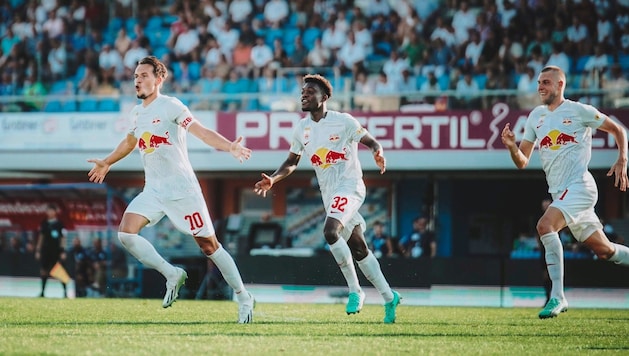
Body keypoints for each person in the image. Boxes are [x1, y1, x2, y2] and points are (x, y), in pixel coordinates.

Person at [87, 56, 255, 323]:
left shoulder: (170, 106)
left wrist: (230, 147)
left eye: (143, 75)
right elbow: (130, 142)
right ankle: (172, 273)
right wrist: (107, 161)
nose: (138, 80)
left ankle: (244, 296)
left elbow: (201, 131)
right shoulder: (137, 113)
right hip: (154, 190)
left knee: (209, 247)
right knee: (126, 234)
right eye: (135, 76)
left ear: (159, 79)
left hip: (183, 191)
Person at [253, 74, 401, 324]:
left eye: (310, 91)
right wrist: (274, 179)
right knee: (359, 248)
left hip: (351, 186)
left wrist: (378, 152)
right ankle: (389, 297)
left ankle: (355, 291)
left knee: (330, 232)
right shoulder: (302, 128)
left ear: (324, 97)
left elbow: (371, 141)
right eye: (303, 91)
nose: (304, 95)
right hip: (329, 194)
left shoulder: (343, 121)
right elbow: (292, 162)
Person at [501, 65, 629, 319]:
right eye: (539, 82)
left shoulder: (578, 110)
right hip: (562, 194)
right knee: (605, 251)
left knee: (544, 225)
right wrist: (511, 147)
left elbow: (619, 130)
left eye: (546, 82)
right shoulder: (536, 116)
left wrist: (622, 158)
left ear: (560, 85)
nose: (540, 87)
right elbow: (522, 161)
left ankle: (557, 296)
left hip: (581, 187)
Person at [35, 204, 67, 298]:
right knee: (44, 270)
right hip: (46, 250)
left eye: (52, 211)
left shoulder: (59, 224)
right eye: (48, 211)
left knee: (59, 270)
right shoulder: (44, 223)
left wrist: (62, 251)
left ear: (55, 212)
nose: (50, 212)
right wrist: (38, 250)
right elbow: (41, 237)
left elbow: (62, 238)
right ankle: (42, 292)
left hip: (56, 251)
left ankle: (65, 292)